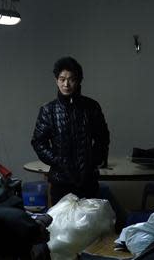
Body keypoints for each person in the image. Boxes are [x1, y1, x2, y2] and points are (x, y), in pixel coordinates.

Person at [31, 56, 110, 205]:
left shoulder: (91, 107)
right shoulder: (49, 110)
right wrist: (57, 160)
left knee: (89, 225)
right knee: (60, 226)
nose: (66, 84)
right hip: (61, 181)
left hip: (88, 180)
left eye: (71, 79)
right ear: (56, 80)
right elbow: (38, 142)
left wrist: (93, 160)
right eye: (62, 79)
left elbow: (103, 137)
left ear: (79, 80)